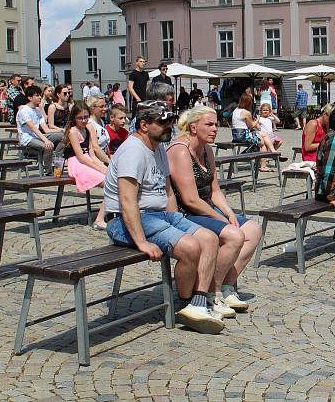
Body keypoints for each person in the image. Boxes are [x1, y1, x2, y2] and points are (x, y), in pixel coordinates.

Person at [104, 100, 225, 334]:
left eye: (170, 120)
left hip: (159, 215)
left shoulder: (158, 146)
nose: (169, 125)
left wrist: (175, 220)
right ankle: (186, 301)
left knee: (209, 239)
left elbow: (167, 189)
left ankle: (198, 303)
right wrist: (141, 242)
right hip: (127, 220)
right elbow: (127, 201)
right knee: (190, 247)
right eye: (162, 122)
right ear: (143, 125)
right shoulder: (132, 151)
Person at [167, 106, 262, 316]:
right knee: (234, 235)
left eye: (216, 124)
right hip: (186, 214)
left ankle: (226, 285)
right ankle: (212, 291)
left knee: (253, 229)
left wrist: (228, 212)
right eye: (209, 124)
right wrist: (221, 219)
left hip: (206, 209)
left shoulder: (206, 149)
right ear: (193, 127)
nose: (214, 129)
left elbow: (215, 191)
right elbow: (190, 199)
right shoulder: (180, 150)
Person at [63, 103, 108, 229]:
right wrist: (99, 168)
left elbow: (92, 153)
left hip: (87, 159)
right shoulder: (73, 131)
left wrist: (105, 167)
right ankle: (99, 219)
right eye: (80, 118)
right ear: (74, 118)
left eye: (86, 117)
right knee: (109, 183)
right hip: (77, 162)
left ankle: (109, 214)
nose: (83, 120)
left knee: (113, 177)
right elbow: (81, 157)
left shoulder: (88, 128)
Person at [16, 85, 57, 173]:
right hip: (27, 139)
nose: (39, 97)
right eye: (37, 95)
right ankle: (48, 171)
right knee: (48, 146)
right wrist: (46, 140)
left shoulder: (37, 110)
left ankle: (57, 162)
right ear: (30, 98)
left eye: (40, 95)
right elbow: (33, 127)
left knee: (62, 136)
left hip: (37, 136)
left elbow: (46, 129)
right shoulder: (23, 110)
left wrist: (61, 130)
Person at [231, 93, 277, 169]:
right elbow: (252, 126)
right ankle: (264, 164)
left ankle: (272, 151)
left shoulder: (236, 110)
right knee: (262, 142)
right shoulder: (246, 112)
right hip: (243, 135)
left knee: (263, 135)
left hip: (236, 135)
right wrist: (258, 119)